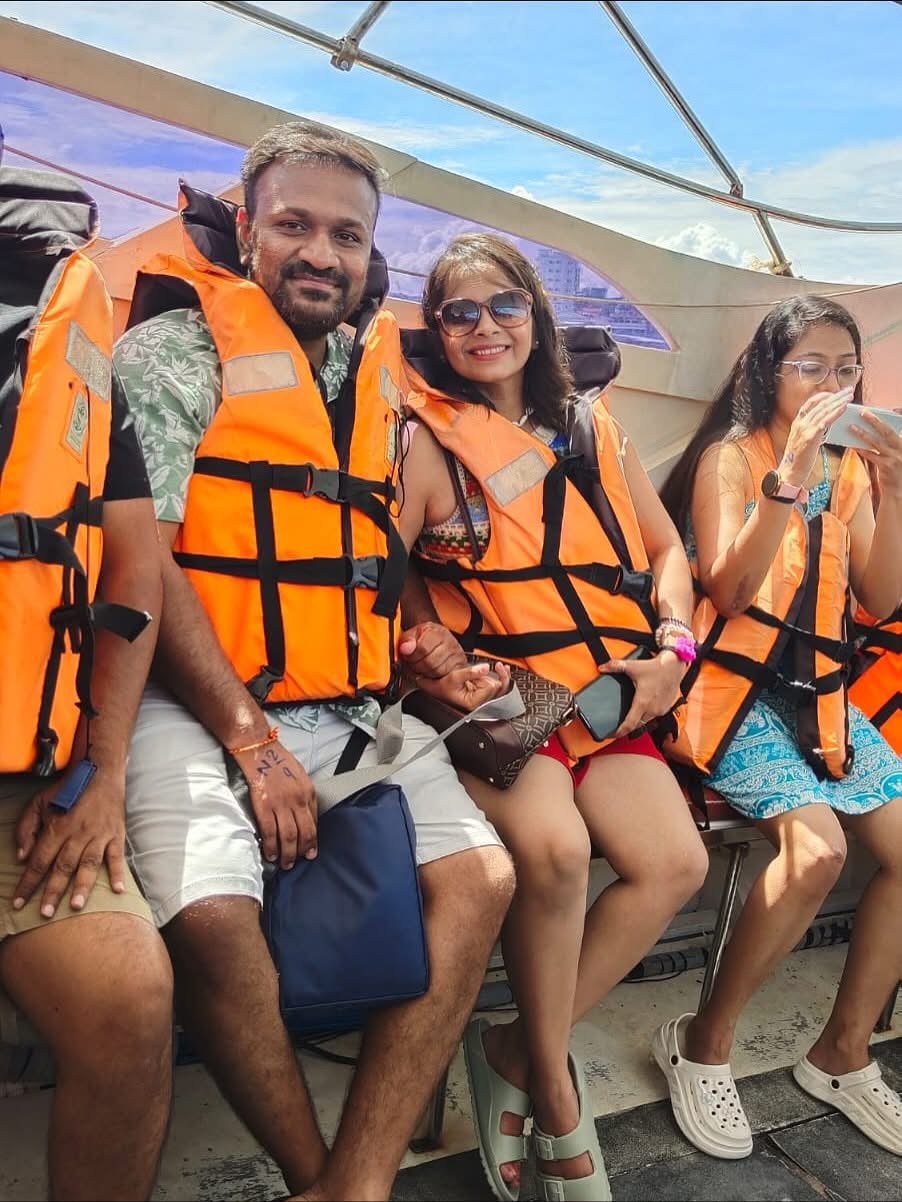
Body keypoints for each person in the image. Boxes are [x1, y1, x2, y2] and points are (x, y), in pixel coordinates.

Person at [114, 121, 515, 1202]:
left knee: (482, 878)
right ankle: (310, 1175)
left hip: (343, 700)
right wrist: (249, 737)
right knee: (212, 914)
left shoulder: (369, 376)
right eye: (294, 224)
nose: (320, 253)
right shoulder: (174, 351)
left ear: (370, 254)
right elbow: (144, 557)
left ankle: (358, 1182)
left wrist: (421, 649)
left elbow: (360, 549)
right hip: (190, 696)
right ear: (246, 227)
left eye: (347, 235)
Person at [398, 232, 709, 1202]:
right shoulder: (424, 439)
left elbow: (666, 550)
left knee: (675, 863)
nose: (483, 326)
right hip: (504, 703)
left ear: (534, 315)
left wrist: (672, 651)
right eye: (459, 312)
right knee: (560, 852)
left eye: (503, 304)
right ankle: (559, 1093)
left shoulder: (589, 424)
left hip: (610, 690)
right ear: (438, 330)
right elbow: (384, 568)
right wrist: (426, 639)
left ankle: (512, 1051)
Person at [656, 295, 902, 1159]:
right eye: (811, 368)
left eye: (846, 370)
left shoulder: (854, 470)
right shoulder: (731, 458)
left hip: (820, 696)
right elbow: (728, 592)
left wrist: (897, 488)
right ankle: (702, 1041)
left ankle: (842, 1053)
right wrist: (788, 476)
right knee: (818, 851)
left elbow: (881, 597)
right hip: (731, 692)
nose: (832, 385)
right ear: (770, 372)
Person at [0, 163, 170, 1199]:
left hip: (22, 774)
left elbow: (134, 570)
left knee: (129, 997)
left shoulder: (68, 335)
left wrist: (102, 770)